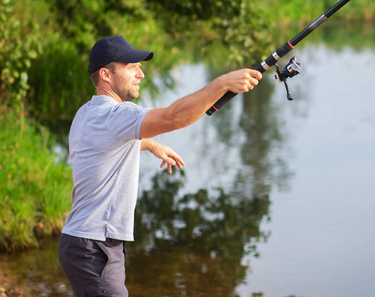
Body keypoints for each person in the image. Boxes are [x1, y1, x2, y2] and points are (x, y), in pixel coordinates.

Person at [57, 35, 262, 296]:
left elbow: (105, 147)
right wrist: (222, 83)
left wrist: (151, 144)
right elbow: (174, 117)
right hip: (94, 246)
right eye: (131, 67)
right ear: (106, 75)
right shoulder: (117, 115)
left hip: (84, 241)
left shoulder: (87, 113)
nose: (140, 74)